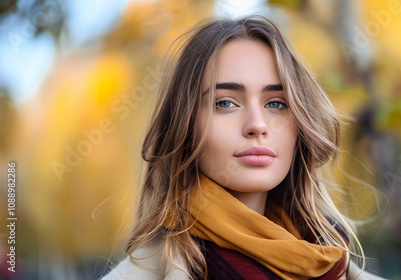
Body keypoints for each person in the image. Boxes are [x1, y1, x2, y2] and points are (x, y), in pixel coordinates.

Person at [101, 16, 384, 280]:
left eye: (276, 103)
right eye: (225, 102)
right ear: (184, 126)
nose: (257, 125)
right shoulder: (151, 270)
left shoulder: (333, 260)